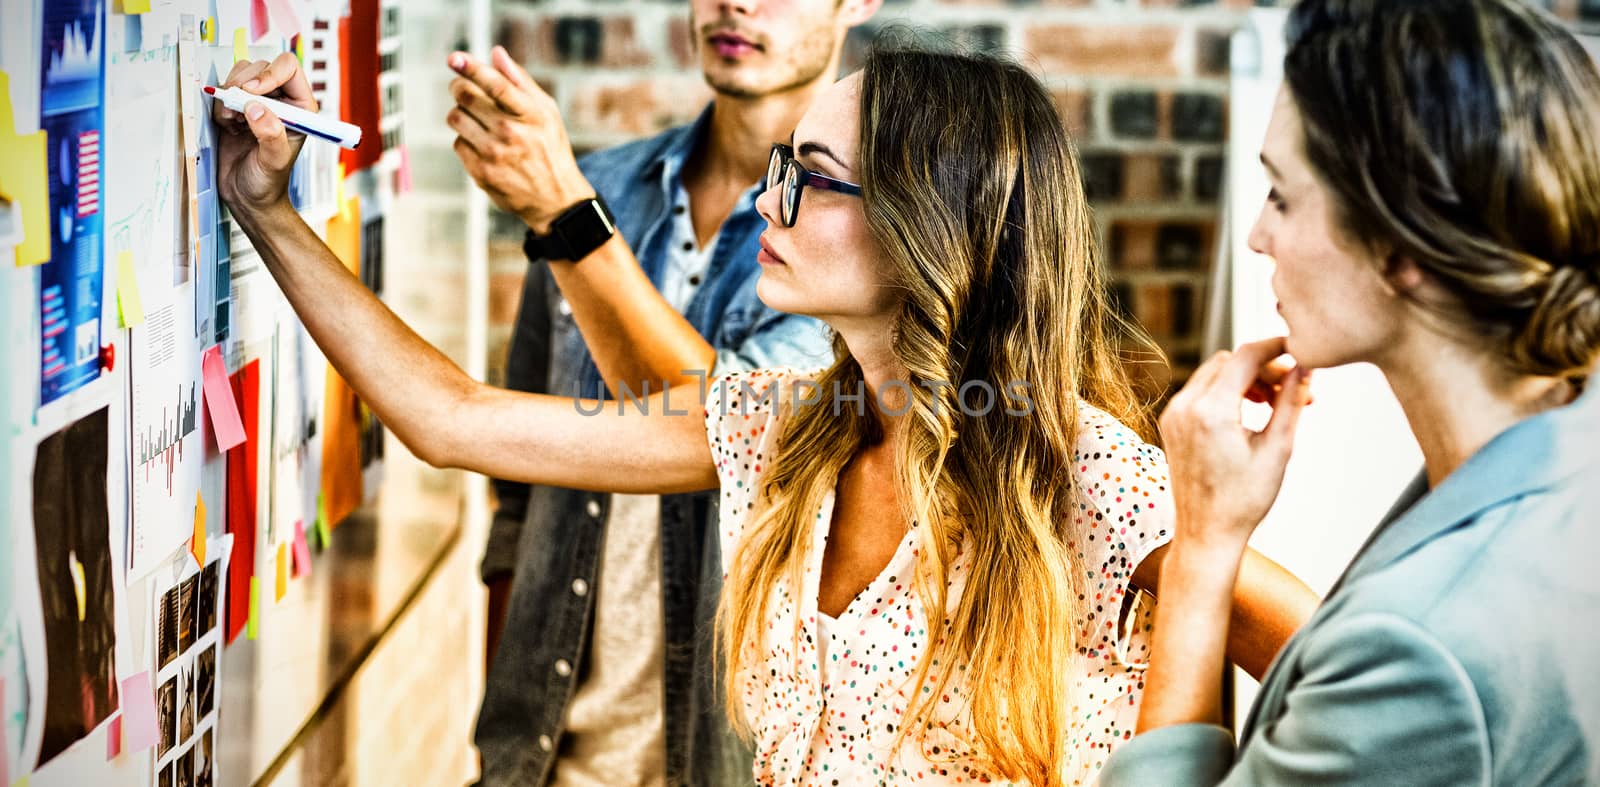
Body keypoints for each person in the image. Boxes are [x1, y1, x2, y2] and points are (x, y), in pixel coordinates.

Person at [211, 33, 1315, 785]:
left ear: (921, 219)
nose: (765, 201)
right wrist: (263, 209)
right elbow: (450, 419)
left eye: (808, 176)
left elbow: (1346, 674)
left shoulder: (1092, 483)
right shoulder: (778, 429)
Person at [1101, 1, 1600, 784]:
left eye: (1282, 196)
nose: (1259, 236)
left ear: (1400, 246)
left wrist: (1202, 546)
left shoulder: (1418, 649)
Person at [442, 0, 878, 780]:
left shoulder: (856, 238)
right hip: (545, 759)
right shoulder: (599, 185)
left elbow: (718, 425)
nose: (734, 4)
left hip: (722, 764)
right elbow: (517, 502)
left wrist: (569, 219)